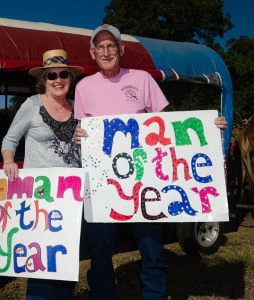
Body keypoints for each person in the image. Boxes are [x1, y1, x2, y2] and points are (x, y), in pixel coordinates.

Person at [74, 24, 227, 300]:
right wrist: (79, 136)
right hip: (101, 186)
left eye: (112, 46)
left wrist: (206, 128)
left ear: (121, 49)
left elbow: (167, 127)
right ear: (92, 52)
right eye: (100, 47)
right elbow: (82, 130)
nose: (106, 51)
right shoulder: (84, 87)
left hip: (144, 185)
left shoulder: (143, 79)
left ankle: (154, 295)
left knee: (151, 248)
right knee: (99, 251)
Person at [1, 49, 84, 299]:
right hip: (39, 197)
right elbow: (10, 139)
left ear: (70, 78)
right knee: (39, 259)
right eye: (52, 76)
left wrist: (86, 139)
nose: (58, 80)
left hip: (71, 197)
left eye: (63, 74)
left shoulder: (80, 107)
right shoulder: (32, 105)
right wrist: (8, 160)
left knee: (65, 258)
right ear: (43, 80)